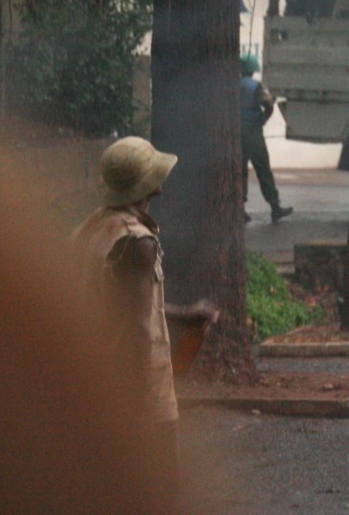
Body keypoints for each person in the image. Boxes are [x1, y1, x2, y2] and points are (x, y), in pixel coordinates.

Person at [73, 136, 220, 510]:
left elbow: (125, 301)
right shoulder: (138, 242)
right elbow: (139, 328)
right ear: (150, 184)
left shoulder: (95, 227)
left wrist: (183, 314)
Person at [239, 53, 292, 223]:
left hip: (236, 134)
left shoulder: (231, 85)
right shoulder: (256, 86)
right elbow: (268, 105)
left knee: (240, 173)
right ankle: (275, 207)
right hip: (253, 133)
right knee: (263, 170)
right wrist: (262, 120)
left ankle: (240, 209)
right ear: (254, 69)